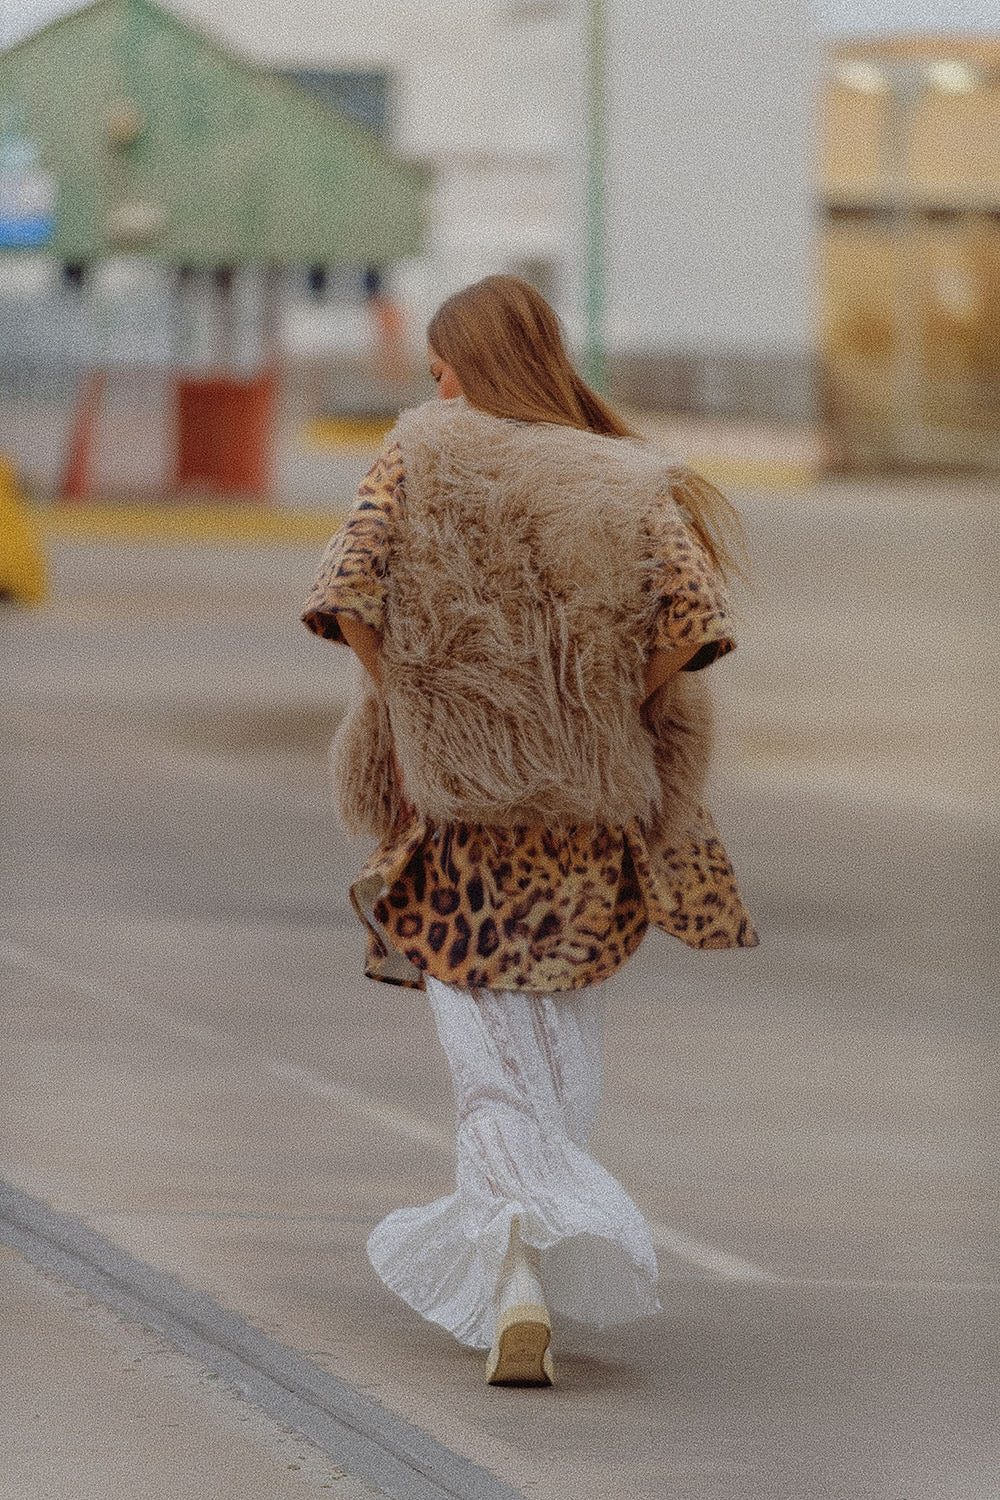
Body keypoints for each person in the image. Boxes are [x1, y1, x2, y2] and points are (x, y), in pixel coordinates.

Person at [301, 275, 758, 1388]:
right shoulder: (619, 476)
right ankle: (528, 1264)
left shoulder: (417, 457)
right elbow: (695, 616)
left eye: (441, 368)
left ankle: (516, 1275)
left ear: (472, 366)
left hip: (458, 823)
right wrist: (607, 707)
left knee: (485, 1063)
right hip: (587, 823)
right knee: (559, 1052)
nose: (435, 391)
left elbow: (347, 592)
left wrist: (418, 704)